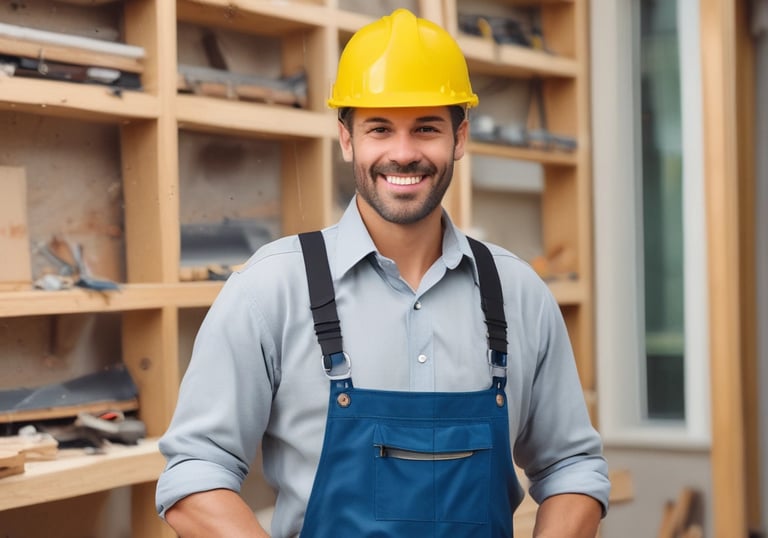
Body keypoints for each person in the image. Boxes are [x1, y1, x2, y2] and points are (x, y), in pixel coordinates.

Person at [156, 8, 610, 537]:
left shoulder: (518, 295)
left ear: (459, 138)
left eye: (426, 128)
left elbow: (571, 466)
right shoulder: (271, 289)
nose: (403, 153)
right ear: (347, 139)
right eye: (379, 128)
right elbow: (193, 472)